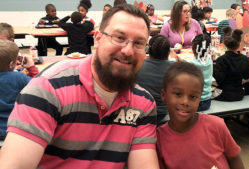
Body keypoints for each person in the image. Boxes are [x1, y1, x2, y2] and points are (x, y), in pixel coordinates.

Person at [0, 4, 159, 169]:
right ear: (97, 39)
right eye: (119, 37)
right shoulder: (48, 88)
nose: (128, 50)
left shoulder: (143, 103)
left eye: (139, 43)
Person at [157, 61, 245, 169]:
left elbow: (234, 158)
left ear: (200, 98)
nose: (185, 102)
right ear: (164, 96)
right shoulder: (159, 138)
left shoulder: (216, 125)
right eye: (178, 94)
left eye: (193, 97)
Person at [0, 40, 37, 141]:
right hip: (14, 129)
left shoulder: (18, 76)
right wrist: (31, 68)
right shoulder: (19, 78)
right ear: (12, 63)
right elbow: (39, 87)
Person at [137, 35, 173, 126]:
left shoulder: (139, 65)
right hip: (163, 112)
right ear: (168, 52)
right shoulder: (174, 68)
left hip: (141, 111)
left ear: (148, 50)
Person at [213, 27, 249, 101]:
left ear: (224, 43)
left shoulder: (221, 60)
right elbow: (247, 76)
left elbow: (218, 79)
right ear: (240, 43)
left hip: (224, 94)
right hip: (240, 93)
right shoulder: (244, 59)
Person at [188, 33, 212, 111]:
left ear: (193, 49)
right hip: (207, 101)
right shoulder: (210, 61)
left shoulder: (191, 64)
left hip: (194, 102)